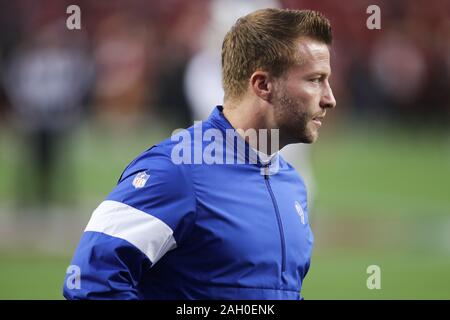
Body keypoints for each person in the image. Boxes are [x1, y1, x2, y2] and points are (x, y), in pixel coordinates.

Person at [63, 8, 336, 300]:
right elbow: (89, 285)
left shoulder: (291, 184)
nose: (329, 98)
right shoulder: (175, 170)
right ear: (263, 85)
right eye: (315, 80)